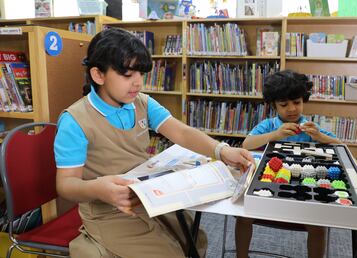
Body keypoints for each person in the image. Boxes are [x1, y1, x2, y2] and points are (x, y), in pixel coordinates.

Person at [54, 27, 254, 258]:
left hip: (147, 197)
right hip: (107, 212)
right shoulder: (75, 121)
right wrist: (98, 188)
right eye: (128, 75)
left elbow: (180, 132)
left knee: (196, 240)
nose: (138, 83)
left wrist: (221, 150)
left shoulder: (141, 102)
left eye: (141, 73)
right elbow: (66, 186)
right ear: (98, 75)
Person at [235, 70, 341, 258]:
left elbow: (342, 147)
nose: (292, 109)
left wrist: (320, 136)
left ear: (304, 100)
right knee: (244, 215)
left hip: (303, 185)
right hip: (269, 182)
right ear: (274, 105)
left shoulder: (310, 127)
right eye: (284, 104)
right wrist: (275, 135)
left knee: (318, 225)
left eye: (297, 102)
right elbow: (246, 144)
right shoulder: (269, 125)